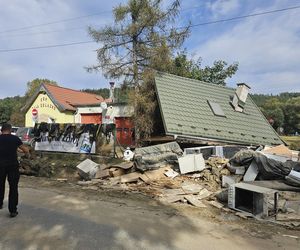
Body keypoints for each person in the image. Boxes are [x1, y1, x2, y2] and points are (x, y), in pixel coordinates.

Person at [0, 123, 29, 218]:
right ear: (10, 130)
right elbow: (24, 149)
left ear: (1, 130)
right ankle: (12, 210)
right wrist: (26, 153)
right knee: (13, 187)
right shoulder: (15, 139)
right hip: (12, 166)